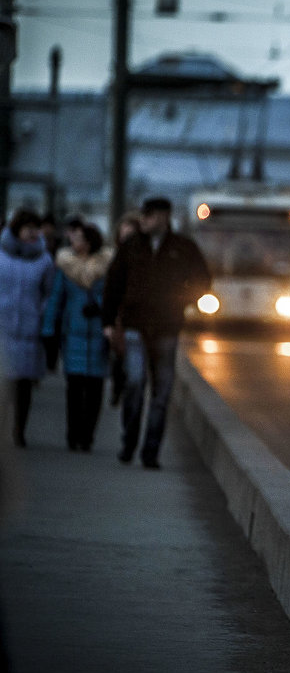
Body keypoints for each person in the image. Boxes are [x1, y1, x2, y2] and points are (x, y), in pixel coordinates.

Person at [102, 197, 211, 469]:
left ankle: (150, 452)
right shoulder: (132, 246)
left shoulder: (183, 248)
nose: (144, 220)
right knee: (135, 383)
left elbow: (203, 281)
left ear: (164, 217)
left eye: (149, 216)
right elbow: (113, 283)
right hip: (135, 326)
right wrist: (108, 319)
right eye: (144, 215)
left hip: (167, 327)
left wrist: (181, 300)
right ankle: (129, 442)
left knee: (161, 393)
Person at [41, 223, 112, 452]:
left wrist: (100, 308)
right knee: (74, 389)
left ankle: (87, 435)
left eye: (79, 238)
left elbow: (113, 298)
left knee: (94, 390)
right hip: (73, 334)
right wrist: (49, 329)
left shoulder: (106, 267)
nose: (74, 242)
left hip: (99, 334)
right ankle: (73, 435)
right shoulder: (65, 266)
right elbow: (56, 299)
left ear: (90, 242)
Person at [0, 208, 56, 447]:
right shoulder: (1, 256)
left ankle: (19, 429)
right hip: (2, 328)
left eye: (36, 228)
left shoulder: (44, 261)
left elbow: (49, 293)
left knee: (23, 385)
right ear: (17, 230)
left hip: (29, 330)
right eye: (28, 228)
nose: (33, 233)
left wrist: (41, 315)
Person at [107, 211, 142, 407]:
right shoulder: (113, 257)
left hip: (132, 317)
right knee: (119, 355)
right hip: (118, 315)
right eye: (124, 234)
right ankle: (118, 386)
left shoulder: (142, 260)